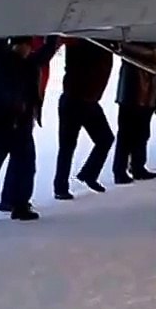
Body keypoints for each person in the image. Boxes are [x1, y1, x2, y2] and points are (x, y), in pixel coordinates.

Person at [0, 35, 61, 221]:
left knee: (24, 166)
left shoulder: (28, 62)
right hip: (3, 124)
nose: (26, 50)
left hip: (18, 124)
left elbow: (46, 53)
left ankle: (19, 204)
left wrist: (54, 37)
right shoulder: (2, 60)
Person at [53, 38, 116, 199]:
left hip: (88, 100)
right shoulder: (82, 41)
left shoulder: (104, 42)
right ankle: (61, 187)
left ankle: (88, 174)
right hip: (75, 100)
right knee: (68, 146)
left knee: (105, 139)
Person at [112, 48, 156, 184]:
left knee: (141, 133)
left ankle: (136, 166)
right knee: (127, 134)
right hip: (133, 93)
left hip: (144, 93)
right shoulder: (135, 45)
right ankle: (122, 169)